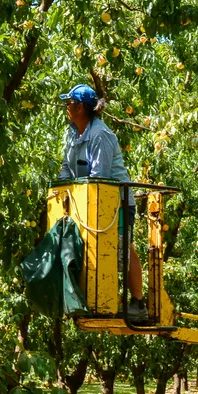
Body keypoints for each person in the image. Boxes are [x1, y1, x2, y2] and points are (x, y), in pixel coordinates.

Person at [57, 84, 149, 322]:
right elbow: (66, 168)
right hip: (87, 202)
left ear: (80, 108)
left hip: (114, 202)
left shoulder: (100, 135)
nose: (66, 108)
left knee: (122, 248)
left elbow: (101, 176)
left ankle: (138, 302)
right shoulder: (72, 132)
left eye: (69, 104)